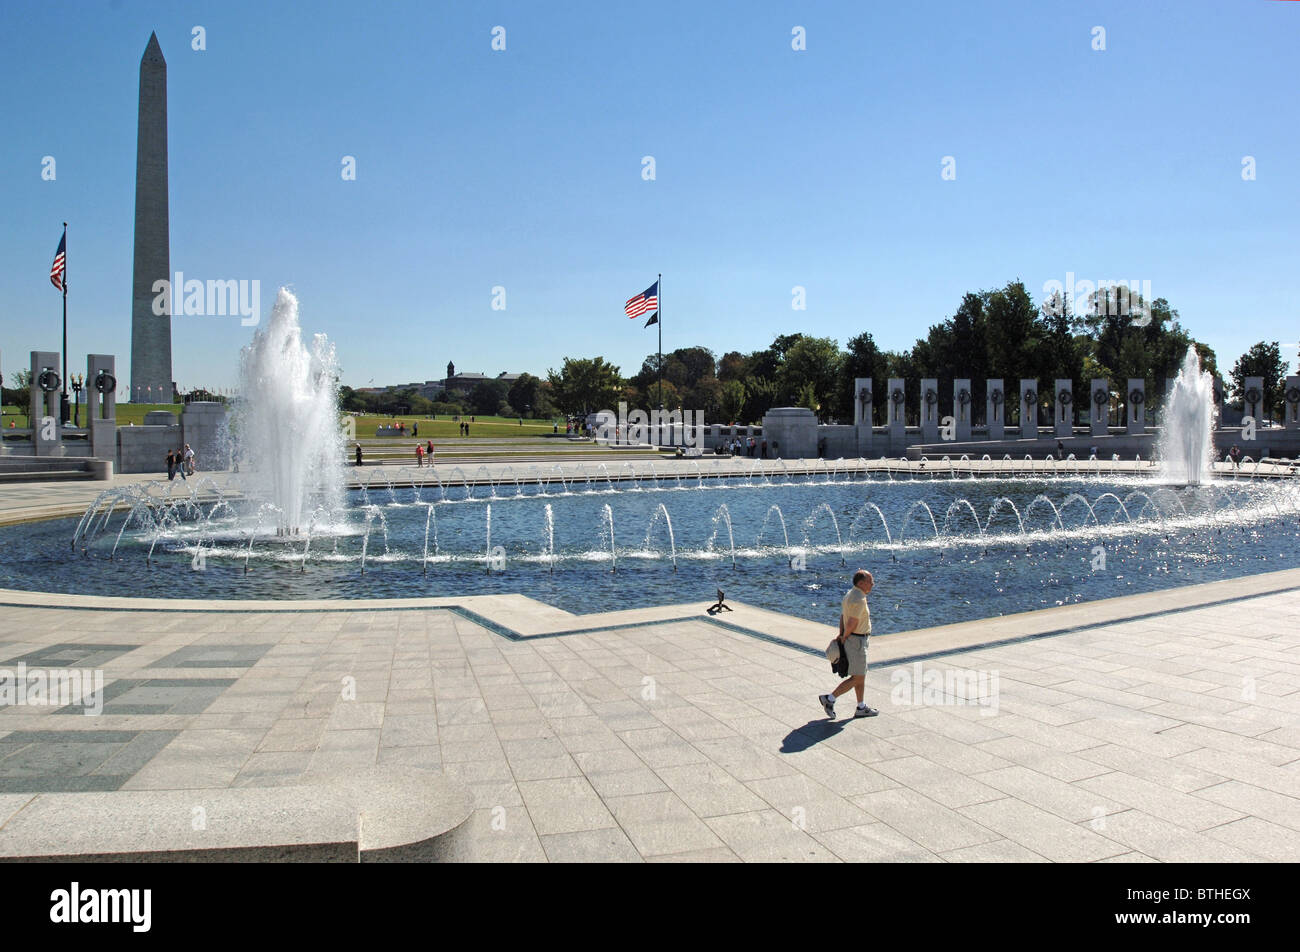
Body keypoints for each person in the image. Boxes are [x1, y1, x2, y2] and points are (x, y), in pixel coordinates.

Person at [819, 569, 878, 719]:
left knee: (860, 675)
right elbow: (852, 622)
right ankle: (830, 699)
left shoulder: (850, 594)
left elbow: (842, 617)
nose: (873, 584)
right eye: (870, 581)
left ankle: (861, 706)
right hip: (857, 640)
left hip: (853, 638)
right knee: (857, 677)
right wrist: (844, 637)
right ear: (861, 583)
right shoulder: (859, 599)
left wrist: (841, 634)